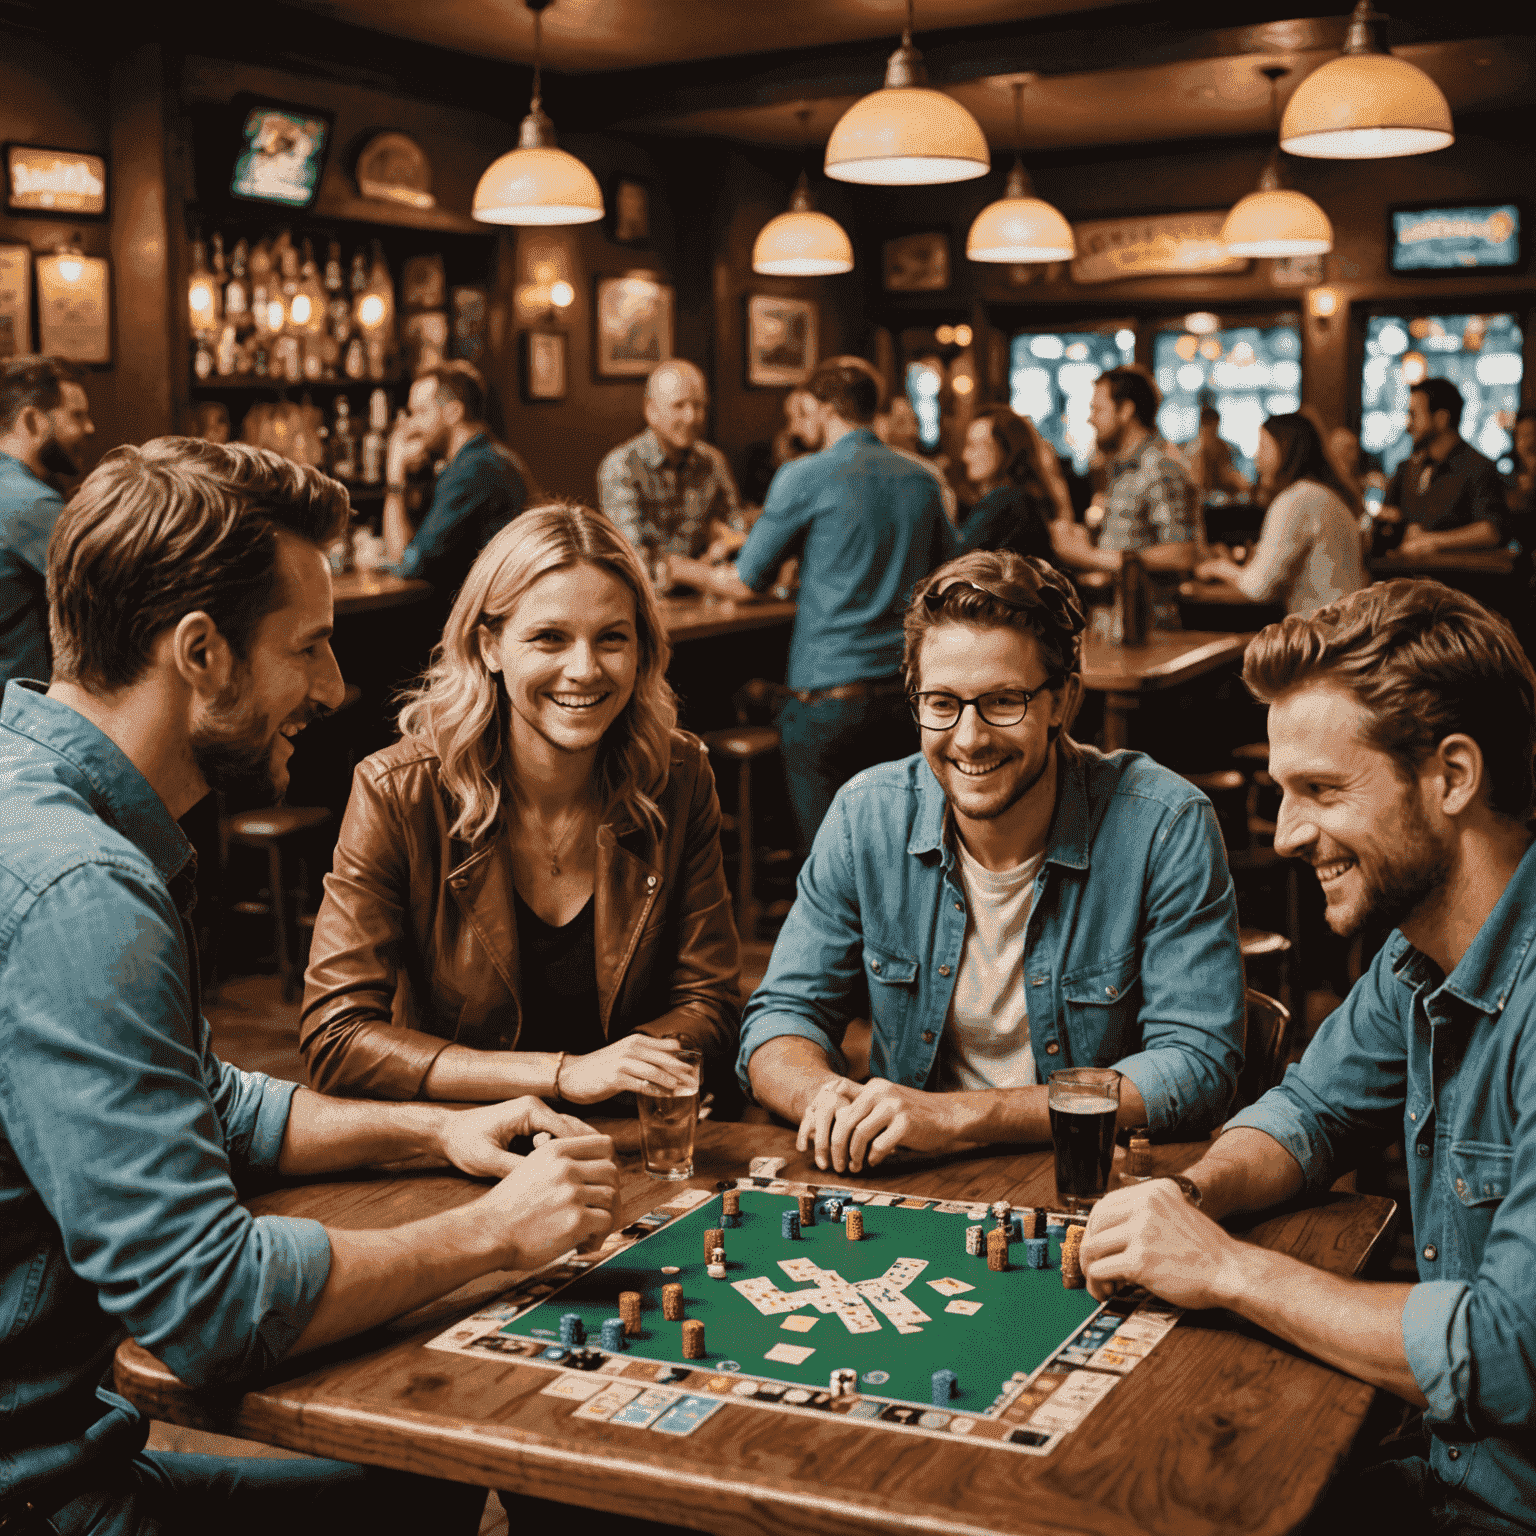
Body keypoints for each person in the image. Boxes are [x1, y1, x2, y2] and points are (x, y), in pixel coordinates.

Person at [0, 438, 619, 1534]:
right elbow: (209, 1304)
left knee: (419, 1484)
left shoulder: (30, 780)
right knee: (431, 1485)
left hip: (68, 1454)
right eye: (310, 648)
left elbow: (210, 1097)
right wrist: (500, 1234)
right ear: (202, 652)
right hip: (44, 1498)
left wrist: (439, 1133)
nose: (332, 689)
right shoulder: (84, 892)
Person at [1079, 580, 1536, 1536]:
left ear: (1452, 777)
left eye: (1322, 791)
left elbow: (1508, 1351)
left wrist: (1226, 1270)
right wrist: (1189, 1199)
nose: (1287, 834)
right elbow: (1310, 1112)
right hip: (1437, 1468)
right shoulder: (1419, 956)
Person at [738, 551, 1245, 1170]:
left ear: (1064, 701)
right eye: (942, 703)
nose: (970, 738)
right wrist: (826, 1100)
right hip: (913, 1185)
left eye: (1004, 702)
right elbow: (780, 1018)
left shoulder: (1164, 825)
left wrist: (960, 1117)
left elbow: (1196, 1063)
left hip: (1089, 1191)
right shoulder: (865, 816)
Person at [301, 503, 740, 1111]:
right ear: (490, 647)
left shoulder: (679, 775)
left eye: (612, 638)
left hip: (623, 1141)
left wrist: (629, 1072)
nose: (584, 669)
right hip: (465, 1147)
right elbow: (336, 1037)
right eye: (549, 638)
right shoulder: (397, 791)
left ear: (642, 649)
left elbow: (710, 1004)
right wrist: (563, 1075)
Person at [691, 358, 954, 849]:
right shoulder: (924, 478)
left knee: (830, 867)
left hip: (829, 700)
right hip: (910, 698)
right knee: (901, 853)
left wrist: (674, 568)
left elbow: (747, 581)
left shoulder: (804, 474)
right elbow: (949, 581)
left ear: (825, 407)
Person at [1055, 366, 1202, 629]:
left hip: (1150, 627)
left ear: (1126, 411)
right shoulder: (1120, 468)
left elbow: (1182, 553)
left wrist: (1090, 556)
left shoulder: (1160, 467)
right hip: (1116, 619)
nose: (1091, 419)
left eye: (1098, 409)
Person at [383, 359, 529, 600]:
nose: (409, 426)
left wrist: (394, 471)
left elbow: (408, 564)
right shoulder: (488, 458)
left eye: (420, 412)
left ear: (453, 412)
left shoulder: (473, 471)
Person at [1196, 412, 1368, 616]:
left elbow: (1259, 587)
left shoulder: (1298, 499)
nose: (1256, 456)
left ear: (1286, 448)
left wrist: (1216, 567)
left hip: (1324, 634)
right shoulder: (1325, 494)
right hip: (1347, 627)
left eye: (1264, 446)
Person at [597, 359, 742, 590]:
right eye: (679, 406)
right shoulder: (622, 465)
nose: (691, 417)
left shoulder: (712, 462)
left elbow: (736, 532)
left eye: (699, 405)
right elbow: (632, 558)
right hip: (646, 604)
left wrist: (728, 543)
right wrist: (701, 573)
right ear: (651, 411)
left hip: (706, 601)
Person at [0, 355, 94, 688]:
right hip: (17, 719)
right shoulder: (29, 503)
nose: (89, 428)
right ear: (32, 421)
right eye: (76, 416)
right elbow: (112, 585)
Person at [1380, 378, 1505, 555]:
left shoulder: (1478, 467)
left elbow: (1491, 531)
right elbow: (1391, 518)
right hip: (1405, 575)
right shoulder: (1407, 469)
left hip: (1456, 578)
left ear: (1441, 419)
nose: (1408, 426)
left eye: (1413, 415)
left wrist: (1433, 540)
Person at [956, 406, 1071, 561]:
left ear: (1006, 449)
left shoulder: (1008, 502)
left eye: (974, 446)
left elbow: (957, 559)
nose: (965, 456)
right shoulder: (1021, 498)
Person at [874, 389, 957, 521]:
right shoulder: (871, 471)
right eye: (901, 422)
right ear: (881, 425)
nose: (913, 432)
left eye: (914, 422)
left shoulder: (929, 472)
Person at [1182, 405, 1251, 497]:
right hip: (1202, 497)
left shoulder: (1221, 447)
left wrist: (1239, 481)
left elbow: (1227, 473)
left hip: (1218, 497)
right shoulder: (1194, 449)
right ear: (1202, 427)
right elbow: (1196, 482)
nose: (1214, 433)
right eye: (1210, 430)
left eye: (1215, 429)